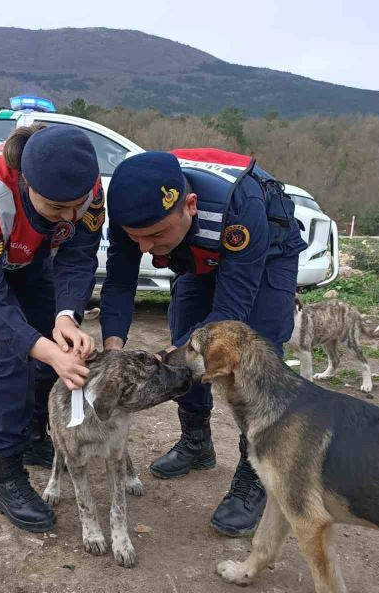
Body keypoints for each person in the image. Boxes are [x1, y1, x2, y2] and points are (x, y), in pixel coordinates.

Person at [100, 148, 307, 536]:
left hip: (264, 256)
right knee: (184, 330)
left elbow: (230, 315)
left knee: (254, 353)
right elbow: (120, 282)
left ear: (189, 205)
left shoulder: (240, 211)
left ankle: (255, 473)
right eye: (136, 238)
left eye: (155, 235)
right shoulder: (136, 212)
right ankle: (197, 442)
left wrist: (166, 355)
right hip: (195, 255)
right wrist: (113, 348)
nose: (144, 247)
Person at [0, 124, 105, 533]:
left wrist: (66, 315)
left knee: (52, 343)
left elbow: (79, 256)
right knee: (11, 354)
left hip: (30, 254)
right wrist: (42, 347)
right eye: (55, 207)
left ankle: (33, 434)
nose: (68, 217)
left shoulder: (86, 187)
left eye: (74, 206)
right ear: (25, 181)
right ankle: (7, 474)